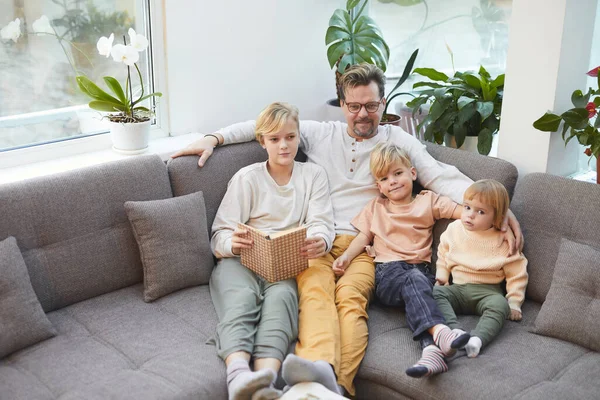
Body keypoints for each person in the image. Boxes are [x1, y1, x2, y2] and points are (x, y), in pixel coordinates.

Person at [172, 63, 523, 396]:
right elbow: (262, 126)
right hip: (316, 241)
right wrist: (214, 138)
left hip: (367, 246)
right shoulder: (321, 133)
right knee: (314, 296)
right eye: (353, 106)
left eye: (371, 105)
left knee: (351, 305)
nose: (362, 114)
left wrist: (496, 208)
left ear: (382, 103)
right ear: (341, 104)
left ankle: (337, 386)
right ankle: (317, 366)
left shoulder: (399, 141)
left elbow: (439, 174)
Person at [209, 102, 335, 400]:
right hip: (241, 260)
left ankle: (266, 383)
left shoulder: (313, 175)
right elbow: (219, 235)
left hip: (285, 263)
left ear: (298, 136)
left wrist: (320, 240)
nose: (284, 145)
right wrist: (232, 243)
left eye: (290, 137)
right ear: (262, 141)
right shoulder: (247, 178)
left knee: (282, 304)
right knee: (242, 300)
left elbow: (321, 223)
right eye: (275, 139)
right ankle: (238, 375)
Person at [331, 142, 470, 378]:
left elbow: (463, 212)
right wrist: (345, 257)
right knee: (413, 280)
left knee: (417, 283)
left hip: (421, 272)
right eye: (384, 179)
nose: (392, 181)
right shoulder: (377, 207)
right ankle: (441, 331)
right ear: (379, 187)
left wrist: (497, 219)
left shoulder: (428, 201)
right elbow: (364, 235)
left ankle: (431, 351)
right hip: (387, 274)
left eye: (398, 173)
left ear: (412, 173)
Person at [433, 179, 528, 359]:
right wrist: (442, 276)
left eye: (480, 211)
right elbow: (443, 253)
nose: (470, 215)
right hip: (458, 289)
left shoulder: (503, 240)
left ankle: (477, 340)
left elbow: (517, 272)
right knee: (434, 293)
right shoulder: (454, 229)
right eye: (467, 207)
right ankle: (455, 333)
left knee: (501, 305)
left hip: (487, 293)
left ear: (498, 217)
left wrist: (515, 302)